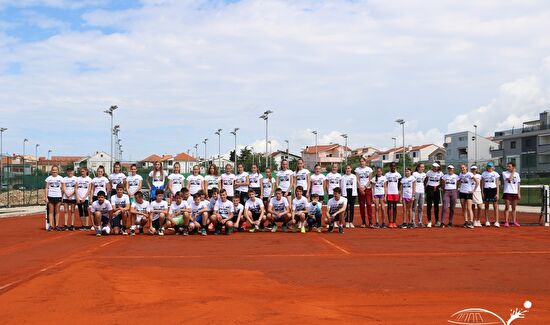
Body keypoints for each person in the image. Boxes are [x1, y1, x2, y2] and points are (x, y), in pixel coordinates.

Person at [355, 157, 374, 228]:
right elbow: (357, 179)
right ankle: (363, 222)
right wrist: (360, 188)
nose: (361, 162)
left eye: (363, 161)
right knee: (362, 206)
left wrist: (365, 187)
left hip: (368, 188)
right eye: (360, 161)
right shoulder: (357, 169)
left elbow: (370, 179)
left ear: (365, 162)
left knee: (369, 204)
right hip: (360, 189)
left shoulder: (369, 169)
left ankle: (370, 222)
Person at [481, 162, 501, 227]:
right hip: (486, 190)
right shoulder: (484, 174)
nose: (489, 167)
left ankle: (496, 221)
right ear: (487, 167)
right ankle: (487, 221)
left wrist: (497, 193)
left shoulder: (496, 174)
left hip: (493, 190)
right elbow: (482, 184)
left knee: (495, 206)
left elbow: (497, 184)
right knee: (486, 206)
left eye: (490, 166)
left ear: (493, 167)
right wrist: (482, 192)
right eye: (488, 166)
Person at [44, 166, 63, 231]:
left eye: (56, 170)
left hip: (58, 196)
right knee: (51, 211)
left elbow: (63, 188)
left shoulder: (61, 178)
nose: (54, 171)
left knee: (57, 211)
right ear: (51, 170)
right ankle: (51, 226)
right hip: (50, 196)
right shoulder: (48, 178)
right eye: (53, 170)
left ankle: (57, 225)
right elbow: (46, 188)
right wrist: (46, 197)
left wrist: (62, 197)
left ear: (58, 171)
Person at [458, 164, 477, 229]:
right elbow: (459, 182)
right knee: (464, 208)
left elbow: (477, 181)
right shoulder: (460, 174)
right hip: (462, 192)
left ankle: (471, 222)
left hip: (468, 193)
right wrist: (458, 187)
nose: (462, 168)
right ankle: (466, 221)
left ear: (466, 168)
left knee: (469, 208)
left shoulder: (470, 174)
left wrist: (473, 190)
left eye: (463, 167)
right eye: (461, 167)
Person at [502, 162, 521, 227]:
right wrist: (513, 172)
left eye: (509, 166)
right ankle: (506, 222)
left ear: (513, 167)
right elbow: (510, 179)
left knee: (514, 208)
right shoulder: (504, 173)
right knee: (507, 207)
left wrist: (518, 193)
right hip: (507, 192)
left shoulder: (517, 174)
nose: (508, 167)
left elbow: (518, 184)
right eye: (507, 166)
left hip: (514, 193)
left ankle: (514, 221)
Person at [425, 162, 443, 228]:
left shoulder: (440, 173)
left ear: (438, 167)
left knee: (436, 206)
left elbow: (442, 180)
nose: (435, 168)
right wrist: (425, 188)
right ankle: (429, 221)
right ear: (432, 167)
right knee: (429, 206)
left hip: (437, 189)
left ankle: (437, 221)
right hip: (430, 188)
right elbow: (426, 180)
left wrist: (440, 186)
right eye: (434, 167)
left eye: (436, 167)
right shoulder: (429, 172)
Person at [385, 162, 401, 228]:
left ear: (395, 167)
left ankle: (394, 222)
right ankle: (390, 222)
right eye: (391, 166)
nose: (393, 167)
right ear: (390, 167)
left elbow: (399, 183)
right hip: (389, 192)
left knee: (395, 207)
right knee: (389, 207)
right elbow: (385, 184)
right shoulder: (387, 175)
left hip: (395, 193)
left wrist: (398, 190)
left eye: (394, 166)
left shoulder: (398, 174)